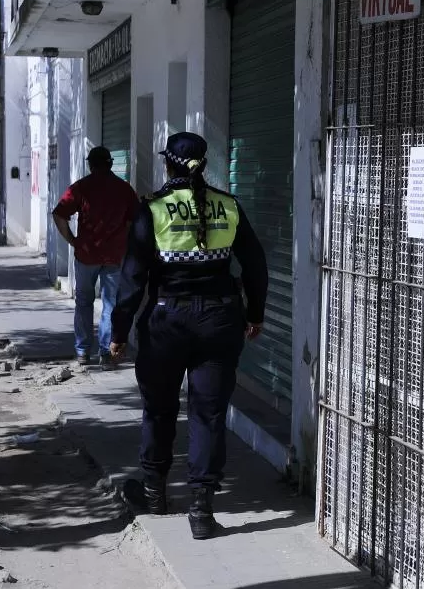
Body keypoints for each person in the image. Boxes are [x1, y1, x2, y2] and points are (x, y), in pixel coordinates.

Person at [109, 132, 268, 540]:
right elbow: (255, 266)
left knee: (160, 409)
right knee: (209, 414)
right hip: (220, 320)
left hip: (166, 322)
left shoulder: (154, 209)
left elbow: (132, 278)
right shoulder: (228, 206)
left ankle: (154, 494)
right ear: (205, 164)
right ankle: (201, 510)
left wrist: (119, 332)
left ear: (168, 165)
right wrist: (255, 314)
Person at [52, 146, 139, 367]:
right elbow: (132, 222)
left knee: (83, 302)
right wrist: (120, 240)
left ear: (91, 165)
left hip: (86, 255)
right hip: (114, 256)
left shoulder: (82, 187)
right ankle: (106, 353)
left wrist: (73, 241)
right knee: (110, 304)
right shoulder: (124, 189)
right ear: (110, 163)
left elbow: (59, 214)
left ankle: (82, 352)